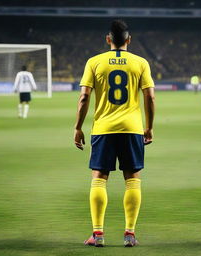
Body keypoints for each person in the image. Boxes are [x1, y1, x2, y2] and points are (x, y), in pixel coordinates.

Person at [74, 20, 155, 247]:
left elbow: (84, 97)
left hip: (103, 129)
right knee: (132, 179)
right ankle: (130, 234)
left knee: (99, 179)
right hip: (132, 128)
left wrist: (78, 127)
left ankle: (97, 234)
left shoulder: (94, 62)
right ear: (129, 40)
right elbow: (149, 97)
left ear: (108, 39)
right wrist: (148, 127)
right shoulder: (141, 63)